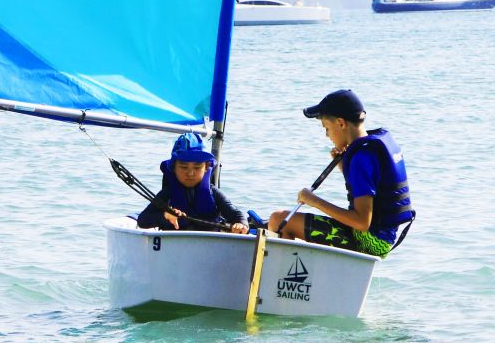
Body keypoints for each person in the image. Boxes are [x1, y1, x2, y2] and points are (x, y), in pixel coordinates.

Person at [268, 89, 414, 257]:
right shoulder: (370, 149)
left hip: (368, 241)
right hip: (383, 238)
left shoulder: (361, 158)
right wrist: (344, 166)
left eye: (327, 128)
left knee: (279, 220)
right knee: (279, 220)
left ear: (341, 123)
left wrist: (312, 200)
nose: (327, 135)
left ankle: (286, 280)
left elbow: (361, 222)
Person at [137, 132, 249, 234]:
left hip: (209, 245)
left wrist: (241, 225)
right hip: (174, 245)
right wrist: (165, 216)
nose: (190, 173)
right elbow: (142, 220)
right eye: (183, 167)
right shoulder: (168, 193)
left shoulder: (212, 192)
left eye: (197, 167)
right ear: (173, 168)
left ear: (206, 167)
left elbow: (236, 214)